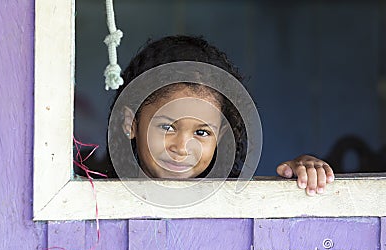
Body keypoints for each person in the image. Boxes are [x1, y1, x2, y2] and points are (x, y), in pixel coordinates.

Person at [108, 35, 334, 196]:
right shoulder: (98, 197)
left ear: (220, 135)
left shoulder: (233, 200)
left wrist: (300, 176)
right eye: (167, 127)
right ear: (131, 124)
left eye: (201, 132)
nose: (182, 148)